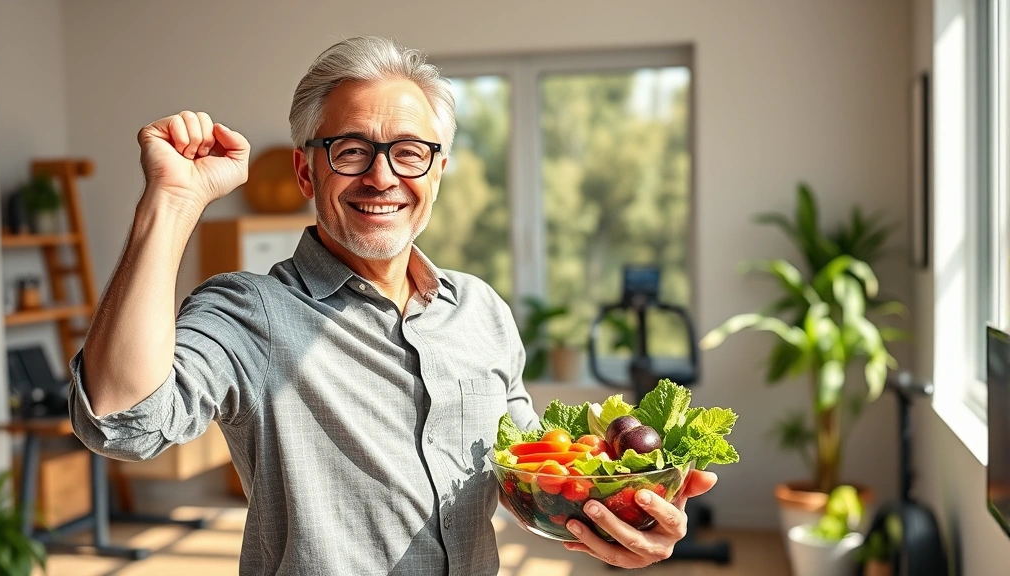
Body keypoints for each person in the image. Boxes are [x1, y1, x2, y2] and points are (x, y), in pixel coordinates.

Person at [68, 36, 717, 574]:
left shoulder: (481, 311)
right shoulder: (250, 312)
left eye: (410, 152)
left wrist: (624, 523)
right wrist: (172, 203)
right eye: (352, 151)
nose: (382, 176)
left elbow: (523, 480)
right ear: (306, 173)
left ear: (437, 172)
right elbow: (124, 422)